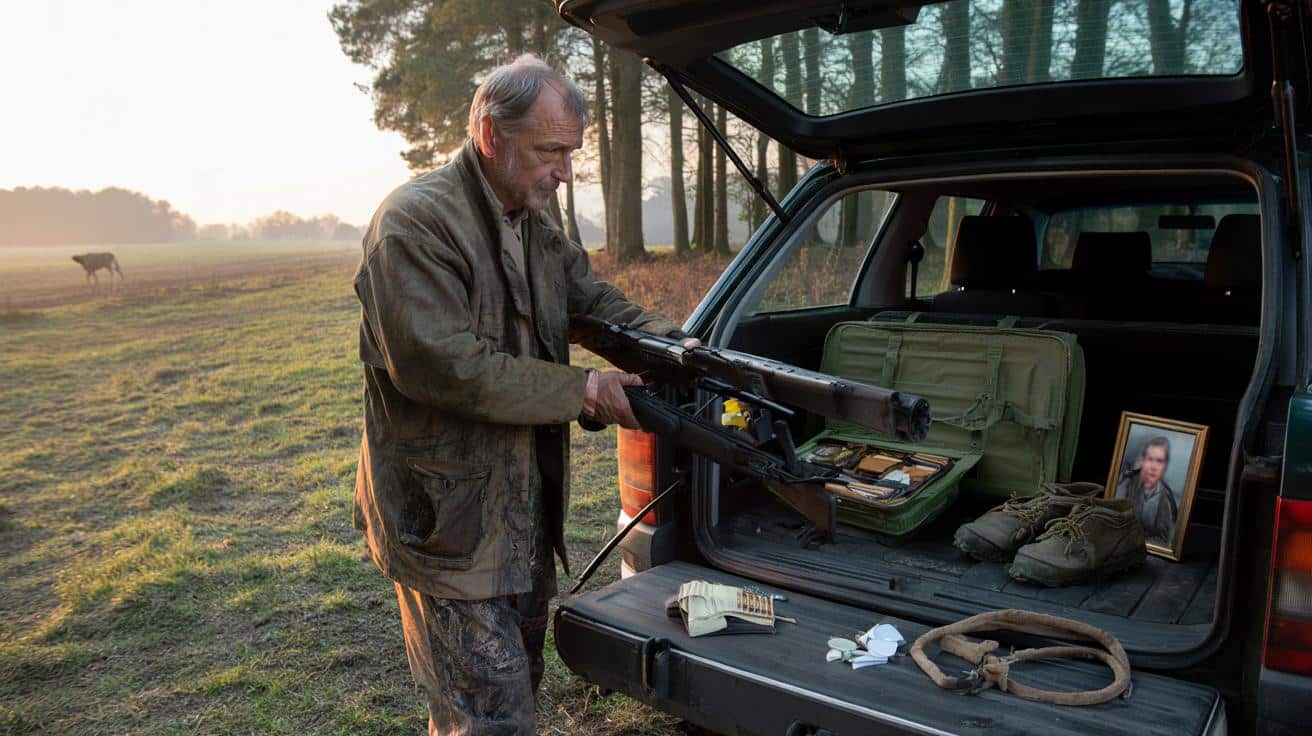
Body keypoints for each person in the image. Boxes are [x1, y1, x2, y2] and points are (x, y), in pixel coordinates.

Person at [350, 54, 695, 734]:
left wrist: (680, 347)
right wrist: (587, 389)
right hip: (448, 525)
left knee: (514, 686)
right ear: (489, 134)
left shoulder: (529, 218)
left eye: (570, 152)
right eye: (550, 151)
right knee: (488, 716)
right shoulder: (415, 225)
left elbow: (591, 302)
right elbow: (445, 367)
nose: (565, 171)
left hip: (521, 516)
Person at [1116, 435, 1179, 545]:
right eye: (1150, 459)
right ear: (1142, 461)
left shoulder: (1166, 498)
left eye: (1159, 461)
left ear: (1165, 467)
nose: (1153, 467)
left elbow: (1163, 541)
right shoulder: (1126, 484)